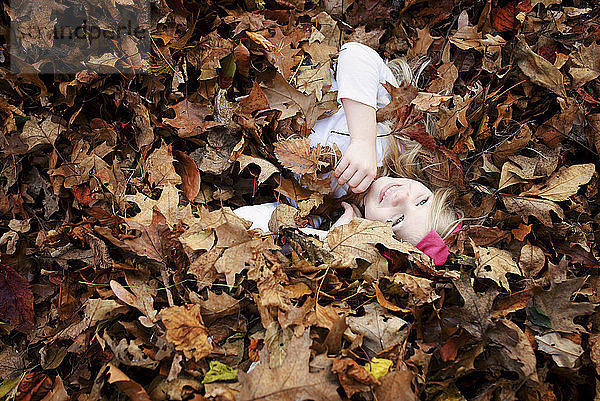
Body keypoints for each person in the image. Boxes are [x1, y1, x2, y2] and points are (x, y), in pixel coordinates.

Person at [234, 42, 462, 265]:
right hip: (273, 62)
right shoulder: (392, 136)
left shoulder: (321, 213)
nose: (401, 198)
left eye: (397, 220)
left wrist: (333, 238)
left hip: (240, 107)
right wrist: (363, 140)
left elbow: (244, 223)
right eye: (422, 201)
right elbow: (354, 53)